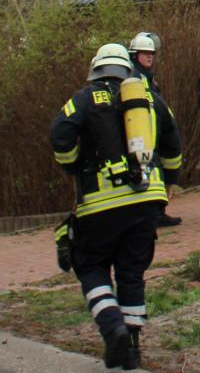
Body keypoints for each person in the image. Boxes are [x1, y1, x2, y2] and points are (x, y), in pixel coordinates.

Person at [50, 43, 182, 370]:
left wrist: (74, 165)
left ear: (96, 70)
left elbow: (60, 135)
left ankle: (112, 328)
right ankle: (132, 349)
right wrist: (168, 180)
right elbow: (173, 144)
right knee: (131, 272)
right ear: (127, 69)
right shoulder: (151, 98)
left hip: (100, 203)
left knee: (90, 265)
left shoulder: (85, 98)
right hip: (147, 200)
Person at [128, 32, 183, 228]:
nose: (150, 57)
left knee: (154, 169)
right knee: (150, 168)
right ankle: (153, 215)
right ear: (135, 55)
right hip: (143, 134)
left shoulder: (146, 77)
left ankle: (157, 213)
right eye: (145, 53)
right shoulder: (134, 77)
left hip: (151, 132)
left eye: (151, 53)